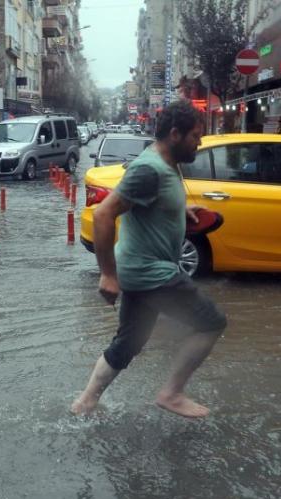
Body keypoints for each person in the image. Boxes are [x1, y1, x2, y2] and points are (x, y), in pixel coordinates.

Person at [70, 100, 227, 419]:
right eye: (196, 136)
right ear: (174, 134)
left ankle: (84, 403)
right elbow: (103, 215)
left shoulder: (167, 164)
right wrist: (107, 275)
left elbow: (148, 201)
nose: (200, 142)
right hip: (151, 272)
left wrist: (178, 211)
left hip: (141, 270)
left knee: (129, 343)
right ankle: (172, 393)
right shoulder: (149, 169)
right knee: (212, 323)